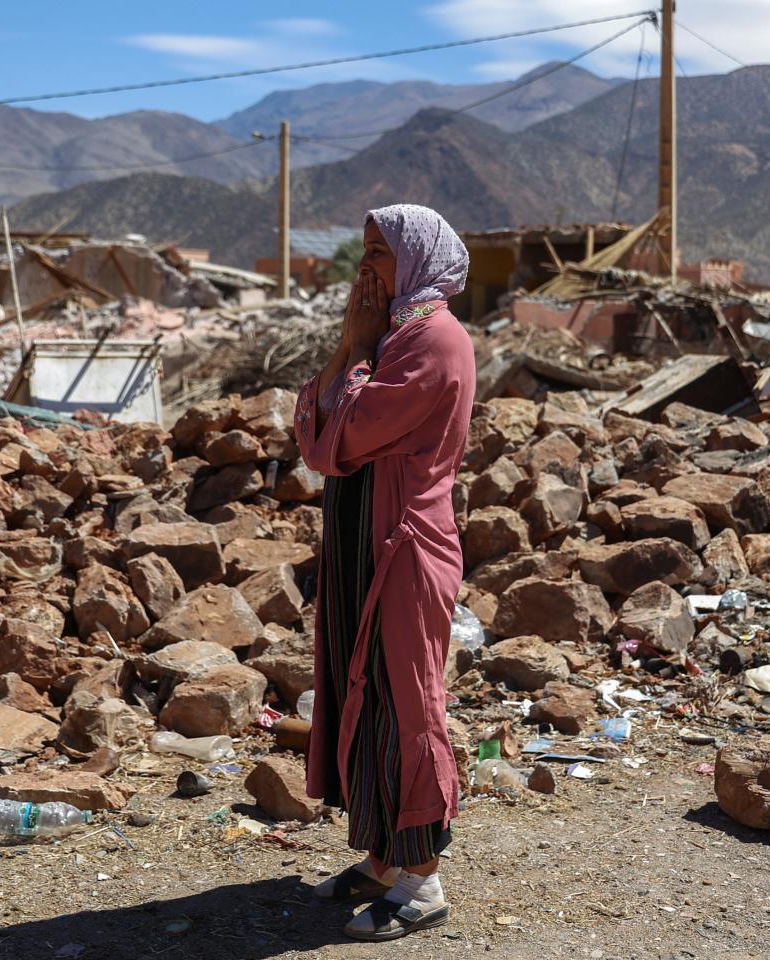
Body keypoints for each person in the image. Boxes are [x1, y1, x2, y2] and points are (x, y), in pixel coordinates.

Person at [291, 203, 476, 942]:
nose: (367, 265)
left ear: (417, 257)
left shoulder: (432, 339)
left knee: (405, 703)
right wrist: (351, 348)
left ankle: (423, 881)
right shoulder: (391, 337)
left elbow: (345, 431)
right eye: (363, 250)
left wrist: (355, 352)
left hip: (403, 550)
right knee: (358, 691)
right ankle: (381, 859)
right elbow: (316, 429)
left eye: (380, 251)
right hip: (361, 547)